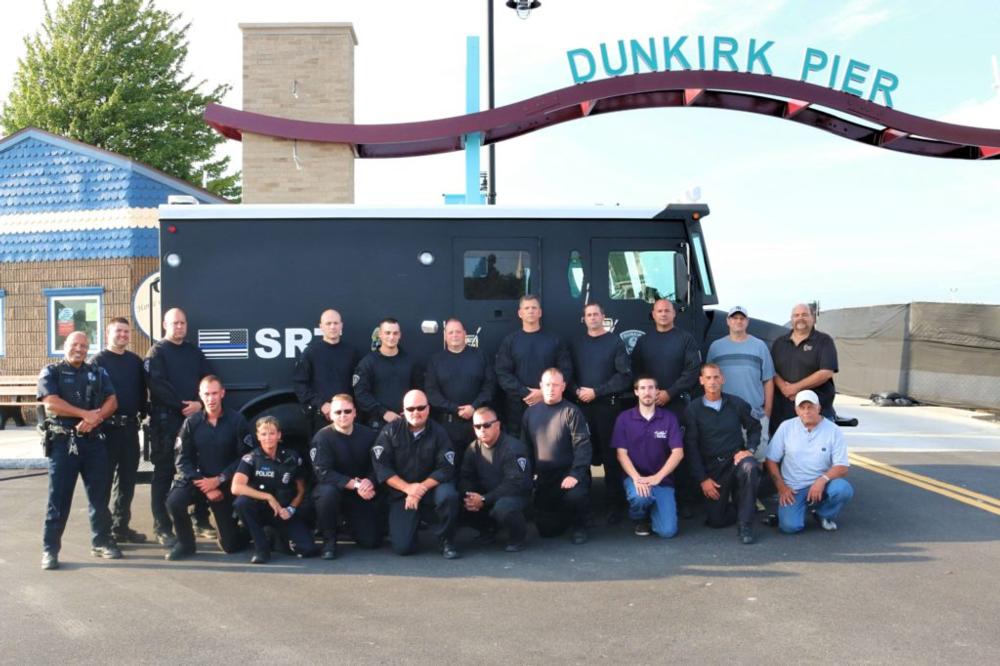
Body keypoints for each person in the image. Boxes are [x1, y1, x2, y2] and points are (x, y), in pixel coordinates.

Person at [37, 332, 122, 570]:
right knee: (59, 500)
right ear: (65, 346)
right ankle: (50, 550)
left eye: (84, 346)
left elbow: (112, 401)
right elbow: (51, 402)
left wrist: (96, 419)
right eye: (75, 344)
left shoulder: (97, 372)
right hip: (64, 444)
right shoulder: (51, 372)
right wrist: (85, 414)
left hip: (93, 442)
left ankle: (102, 541)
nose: (80, 349)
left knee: (99, 498)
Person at [145, 307, 213, 546]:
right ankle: (162, 527)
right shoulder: (157, 352)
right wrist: (182, 405)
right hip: (166, 421)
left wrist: (199, 404)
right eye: (174, 323)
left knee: (198, 468)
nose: (179, 327)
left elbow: (208, 379)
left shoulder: (194, 351)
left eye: (182, 323)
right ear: (165, 325)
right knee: (164, 473)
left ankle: (201, 520)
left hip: (194, 418)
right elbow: (157, 385)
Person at [164, 376, 251, 560]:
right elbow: (182, 459)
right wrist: (202, 483)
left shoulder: (237, 421)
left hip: (224, 484)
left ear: (222, 393)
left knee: (230, 546)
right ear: (200, 396)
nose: (211, 399)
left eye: (214, 393)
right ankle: (186, 544)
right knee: (174, 502)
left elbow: (245, 458)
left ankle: (247, 531)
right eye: (206, 394)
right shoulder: (191, 423)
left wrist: (219, 479)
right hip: (198, 481)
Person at [629, 299, 701, 514]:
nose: (663, 314)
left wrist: (669, 392)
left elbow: (692, 371)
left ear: (674, 314)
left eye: (667, 311)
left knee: (679, 451)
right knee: (652, 452)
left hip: (677, 404)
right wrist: (649, 394)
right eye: (659, 311)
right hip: (648, 407)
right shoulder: (644, 342)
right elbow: (635, 372)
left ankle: (684, 500)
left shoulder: (685, 339)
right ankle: (651, 497)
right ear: (653, 314)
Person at [372, 389, 461, 558]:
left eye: (420, 408)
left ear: (428, 409)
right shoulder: (390, 431)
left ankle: (446, 541)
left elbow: (446, 468)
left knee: (448, 495)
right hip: (402, 493)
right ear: (403, 410)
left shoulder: (439, 432)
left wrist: (419, 488)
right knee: (403, 548)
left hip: (431, 489)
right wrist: (407, 488)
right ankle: (409, 527)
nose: (416, 413)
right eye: (411, 409)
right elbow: (381, 467)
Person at [684, 363, 763, 544]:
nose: (713, 382)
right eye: (708, 378)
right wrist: (703, 479)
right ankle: (742, 504)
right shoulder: (693, 409)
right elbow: (691, 447)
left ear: (723, 379)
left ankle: (745, 524)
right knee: (716, 521)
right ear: (701, 381)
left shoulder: (736, 403)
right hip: (713, 468)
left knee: (750, 467)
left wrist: (749, 450)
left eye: (716, 377)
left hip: (736, 461)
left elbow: (754, 427)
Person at [569, 302, 631, 523]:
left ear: (603, 317)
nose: (593, 318)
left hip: (607, 408)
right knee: (582, 458)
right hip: (581, 408)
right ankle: (584, 509)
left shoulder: (614, 342)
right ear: (584, 319)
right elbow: (568, 373)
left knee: (611, 459)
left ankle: (615, 507)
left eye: (596, 314)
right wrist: (576, 390)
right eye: (589, 315)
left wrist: (597, 392)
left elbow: (624, 376)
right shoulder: (577, 344)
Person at [232, 416, 319, 563]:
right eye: (263, 434)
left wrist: (291, 508)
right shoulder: (251, 458)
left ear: (279, 435)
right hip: (259, 510)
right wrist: (268, 497)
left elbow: (301, 490)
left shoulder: (292, 457)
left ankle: (275, 536)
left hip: (283, 511)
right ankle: (261, 549)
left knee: (308, 549)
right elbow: (236, 487)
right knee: (241, 503)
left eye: (272, 433)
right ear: (258, 436)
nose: (268, 438)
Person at [92, 317, 148, 544]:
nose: (123, 335)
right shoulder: (97, 361)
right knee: (103, 483)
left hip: (130, 430)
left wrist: (145, 414)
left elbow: (142, 392)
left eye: (126, 331)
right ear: (108, 333)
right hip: (106, 430)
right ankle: (104, 533)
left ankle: (121, 527)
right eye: (118, 331)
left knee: (127, 481)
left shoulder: (135, 361)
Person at [766, 390, 853, 534]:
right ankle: (791, 513)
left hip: (823, 485)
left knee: (843, 489)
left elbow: (842, 467)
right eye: (802, 407)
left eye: (810, 407)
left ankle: (823, 514)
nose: (806, 411)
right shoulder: (786, 427)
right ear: (796, 410)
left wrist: (821, 481)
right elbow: (770, 459)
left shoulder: (833, 430)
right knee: (790, 527)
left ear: (818, 408)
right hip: (795, 488)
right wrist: (781, 487)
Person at [520, 368, 592, 544]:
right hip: (544, 477)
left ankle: (579, 526)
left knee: (575, 497)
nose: (551, 389)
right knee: (547, 531)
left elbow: (583, 447)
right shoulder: (530, 413)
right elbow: (525, 448)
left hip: (569, 475)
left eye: (555, 385)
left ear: (563, 387)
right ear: (541, 386)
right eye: (547, 385)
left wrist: (575, 474)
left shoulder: (572, 412)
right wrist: (529, 475)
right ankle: (563, 518)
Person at [310, 393, 382, 560]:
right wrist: (356, 485)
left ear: (355, 412)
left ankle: (348, 524)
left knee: (371, 542)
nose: (343, 415)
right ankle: (329, 539)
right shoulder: (322, 438)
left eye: (347, 411)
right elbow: (324, 473)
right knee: (327, 493)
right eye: (338, 412)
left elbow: (378, 465)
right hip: (333, 489)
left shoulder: (369, 435)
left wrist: (369, 481)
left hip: (359, 494)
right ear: (330, 415)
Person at [612, 376, 684, 539]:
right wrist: (637, 478)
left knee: (667, 532)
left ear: (657, 391)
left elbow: (678, 453)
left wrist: (658, 477)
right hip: (635, 477)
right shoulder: (624, 419)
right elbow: (621, 454)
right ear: (636, 392)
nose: (647, 392)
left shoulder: (669, 418)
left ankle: (654, 510)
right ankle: (640, 518)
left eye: (651, 388)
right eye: (643, 388)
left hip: (661, 480)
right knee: (640, 497)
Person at [495, 295, 572, 437]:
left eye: (534, 308)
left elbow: (565, 371)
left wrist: (544, 393)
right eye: (526, 308)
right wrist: (525, 392)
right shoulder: (510, 341)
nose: (530, 311)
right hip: (517, 408)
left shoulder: (555, 340)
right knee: (520, 450)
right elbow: (502, 373)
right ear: (520, 313)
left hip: (550, 405)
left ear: (540, 312)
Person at [459, 406, 533, 552]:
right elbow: (465, 476)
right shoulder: (473, 448)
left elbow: (514, 484)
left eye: (487, 425)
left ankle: (518, 537)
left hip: (516, 495)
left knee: (503, 508)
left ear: (497, 425)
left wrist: (485, 499)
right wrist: (470, 497)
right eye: (477, 426)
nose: (482, 429)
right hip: (488, 495)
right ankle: (488, 530)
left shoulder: (512, 448)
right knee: (456, 500)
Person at [425, 318, 496, 470]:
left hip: (478, 425)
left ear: (465, 334)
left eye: (458, 331)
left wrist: (474, 407)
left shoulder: (480, 356)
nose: (454, 335)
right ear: (445, 336)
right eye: (450, 332)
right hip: (447, 427)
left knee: (481, 469)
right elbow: (432, 393)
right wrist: (455, 409)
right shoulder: (435, 361)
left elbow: (489, 386)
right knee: (450, 470)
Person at [706, 305, 775, 459]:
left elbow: (768, 380)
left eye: (742, 318)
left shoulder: (759, 346)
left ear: (747, 322)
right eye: (734, 318)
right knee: (726, 462)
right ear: (728, 321)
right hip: (725, 416)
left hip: (755, 415)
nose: (738, 321)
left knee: (757, 459)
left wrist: (767, 412)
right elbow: (708, 380)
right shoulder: (716, 347)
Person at [770, 303, 839, 435]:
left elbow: (826, 372)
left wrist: (795, 388)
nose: (800, 318)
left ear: (812, 318)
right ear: (792, 319)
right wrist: (784, 388)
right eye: (796, 315)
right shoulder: (779, 342)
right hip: (783, 414)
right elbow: (771, 370)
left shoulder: (824, 341)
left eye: (804, 315)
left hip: (816, 413)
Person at [292, 308, 360, 434]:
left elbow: (359, 385)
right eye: (328, 323)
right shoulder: (310, 353)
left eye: (335, 323)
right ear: (321, 327)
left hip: (348, 417)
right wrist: (322, 404)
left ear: (341, 325)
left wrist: (349, 409)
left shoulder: (352, 353)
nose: (332, 327)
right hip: (321, 417)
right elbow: (300, 385)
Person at [354, 318, 419, 429]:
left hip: (406, 423)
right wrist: (383, 413)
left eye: (395, 333)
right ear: (380, 335)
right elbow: (361, 394)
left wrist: (412, 410)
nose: (391, 337)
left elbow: (418, 390)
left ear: (400, 335)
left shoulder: (410, 361)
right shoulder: (367, 363)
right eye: (387, 333)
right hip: (377, 424)